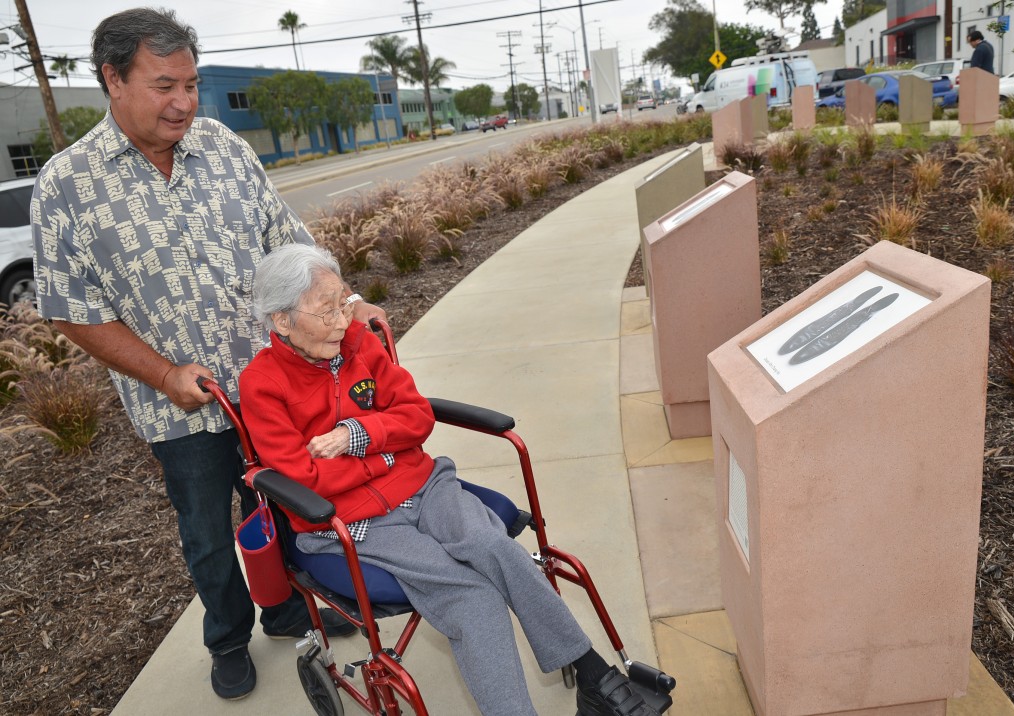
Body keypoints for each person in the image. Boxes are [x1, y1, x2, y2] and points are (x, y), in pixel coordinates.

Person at [30, 8, 377, 701]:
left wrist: (351, 302)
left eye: (191, 84)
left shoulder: (224, 147)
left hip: (273, 387)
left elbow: (289, 239)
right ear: (112, 80)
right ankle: (227, 636)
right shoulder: (66, 185)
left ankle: (287, 609)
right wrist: (164, 373)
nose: (184, 103)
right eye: (164, 86)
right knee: (210, 536)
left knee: (285, 505)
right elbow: (70, 308)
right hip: (179, 410)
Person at [239, 243, 660, 716]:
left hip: (424, 485)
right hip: (353, 523)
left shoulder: (362, 343)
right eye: (326, 311)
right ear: (281, 320)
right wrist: (386, 458)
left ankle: (593, 676)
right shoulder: (262, 383)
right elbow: (306, 479)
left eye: (343, 302)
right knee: (471, 598)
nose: (342, 320)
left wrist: (360, 434)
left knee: (492, 545)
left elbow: (416, 417)